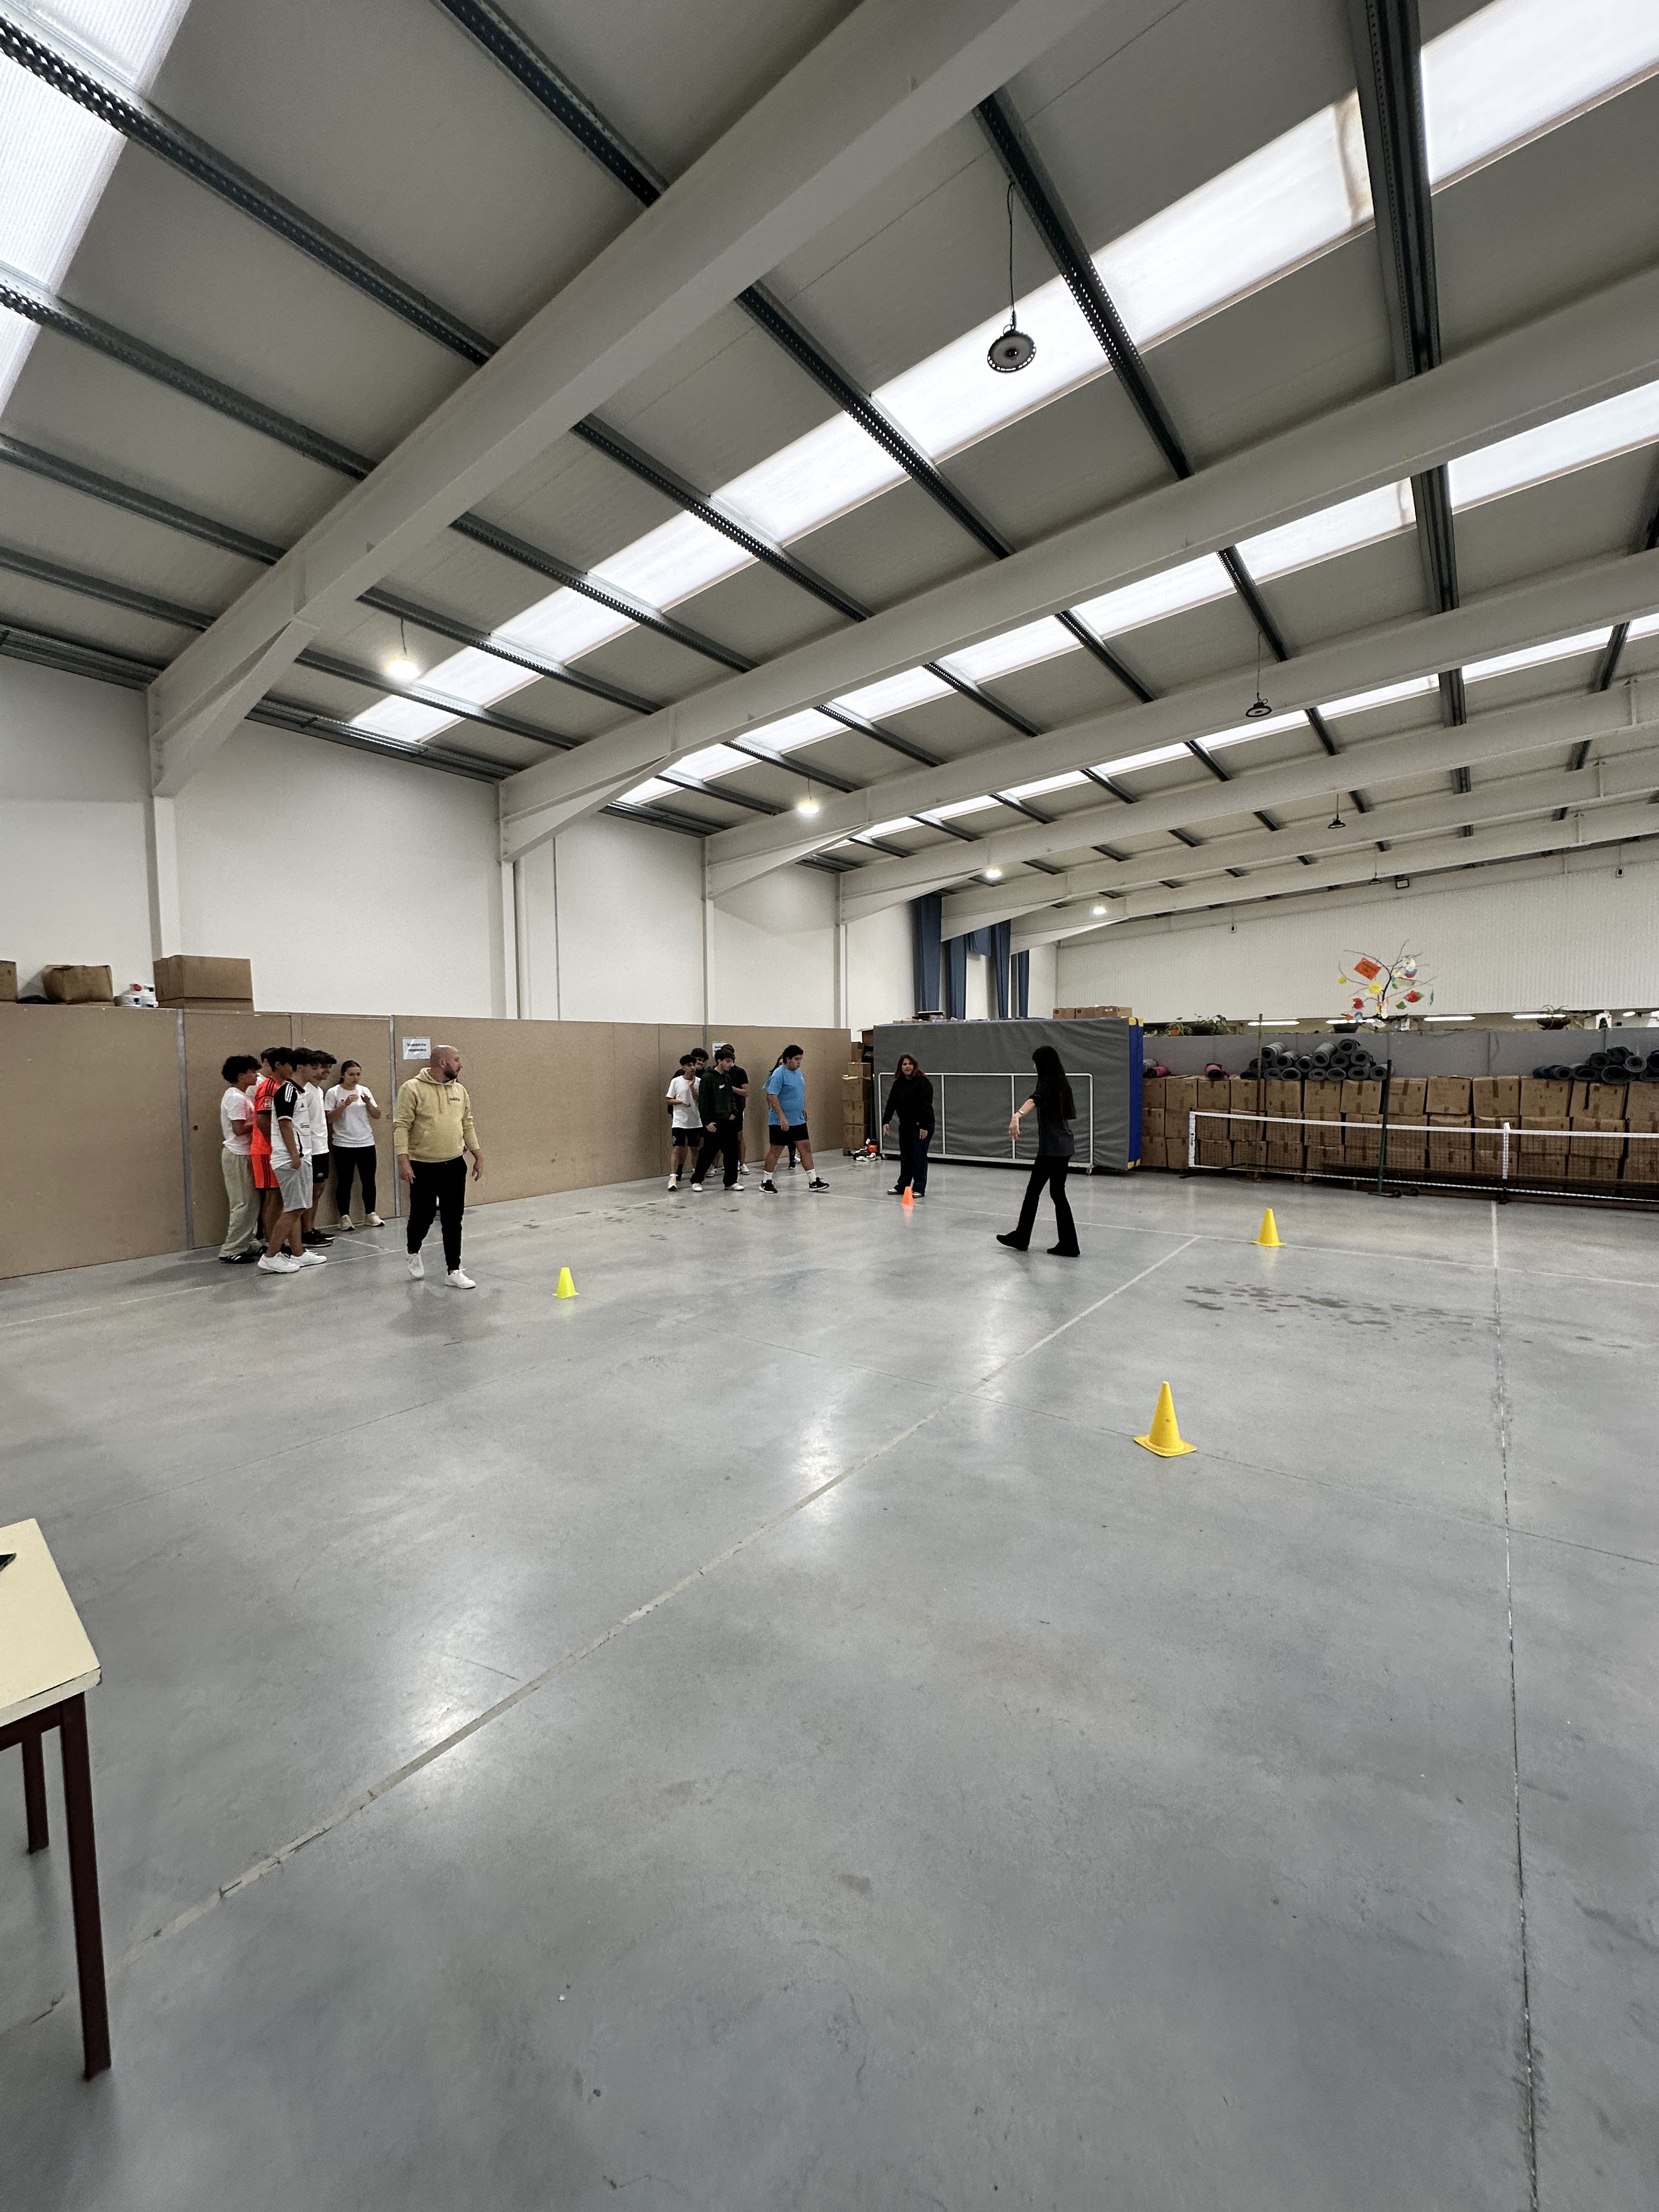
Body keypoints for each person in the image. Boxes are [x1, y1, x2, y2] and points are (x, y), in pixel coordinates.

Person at [393, 1043, 482, 1287]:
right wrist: (403, 1159)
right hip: (422, 1166)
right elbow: (401, 1125)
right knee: (422, 1217)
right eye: (456, 1059)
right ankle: (413, 1250)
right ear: (443, 1062)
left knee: (453, 1219)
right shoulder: (412, 1088)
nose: (460, 1064)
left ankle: (454, 1270)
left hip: (454, 1165)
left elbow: (467, 1123)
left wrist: (478, 1154)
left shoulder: (460, 1090)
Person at [998, 1045, 1080, 1257]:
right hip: (1063, 1145)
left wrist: (1017, 1115)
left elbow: (1034, 1100)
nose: (1034, 1067)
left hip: (1053, 1149)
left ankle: (1022, 1238)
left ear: (1043, 1064)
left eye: (1036, 1063)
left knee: (1034, 1192)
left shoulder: (1049, 1083)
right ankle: (1068, 1243)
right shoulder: (1061, 1082)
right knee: (1056, 1193)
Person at [257, 1046, 324, 1274]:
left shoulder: (300, 1092)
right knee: (294, 1208)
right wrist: (294, 1155)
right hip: (290, 1160)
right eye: (313, 1067)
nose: (318, 1071)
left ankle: (299, 1252)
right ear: (301, 1067)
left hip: (303, 1157)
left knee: (298, 1207)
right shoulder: (287, 1092)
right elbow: (285, 1123)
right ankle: (270, 1256)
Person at [761, 1046, 828, 1193]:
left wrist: (803, 1108)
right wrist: (782, 1117)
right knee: (776, 1150)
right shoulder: (779, 1074)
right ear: (788, 1059)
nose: (799, 1062)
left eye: (801, 1059)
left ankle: (813, 1181)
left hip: (798, 1120)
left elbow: (799, 1092)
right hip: (781, 1122)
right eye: (797, 1059)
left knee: (805, 1148)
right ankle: (766, 1182)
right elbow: (772, 1096)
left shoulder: (799, 1073)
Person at [218, 1055, 263, 1263]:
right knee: (242, 1203)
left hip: (245, 1154)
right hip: (237, 1155)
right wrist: (261, 1121)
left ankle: (246, 1242)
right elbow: (238, 1129)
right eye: (252, 1072)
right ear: (240, 1075)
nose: (256, 1075)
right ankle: (231, 1249)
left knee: (251, 1202)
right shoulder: (236, 1098)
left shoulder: (242, 1096)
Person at [326, 1059, 382, 1228]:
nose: (355, 1078)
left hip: (366, 1142)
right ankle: (344, 1217)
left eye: (358, 1074)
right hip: (343, 1144)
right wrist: (345, 1105)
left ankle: (371, 1214)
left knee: (369, 1181)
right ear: (343, 1075)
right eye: (351, 1074)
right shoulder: (333, 1092)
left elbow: (377, 1115)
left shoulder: (365, 1091)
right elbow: (328, 1119)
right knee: (344, 1181)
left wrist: (368, 1103)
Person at [691, 1046, 746, 1193]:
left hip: (728, 1121)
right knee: (708, 1153)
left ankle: (731, 1182)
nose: (730, 1064)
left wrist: (734, 1112)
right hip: (714, 1123)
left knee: (732, 1153)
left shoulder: (727, 1078)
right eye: (728, 1061)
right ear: (719, 1061)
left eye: (732, 1061)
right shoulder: (708, 1078)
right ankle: (697, 1180)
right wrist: (707, 1121)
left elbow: (731, 1097)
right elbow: (703, 1101)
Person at [882, 1053, 935, 1199]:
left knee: (919, 1157)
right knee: (906, 1157)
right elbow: (891, 1103)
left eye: (910, 1064)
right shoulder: (898, 1084)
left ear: (915, 1066)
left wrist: (924, 1126)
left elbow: (926, 1105)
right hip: (906, 1125)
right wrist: (886, 1121)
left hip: (922, 1126)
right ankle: (903, 1186)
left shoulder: (923, 1083)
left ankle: (919, 1188)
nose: (908, 1067)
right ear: (901, 1067)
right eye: (904, 1064)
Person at [296, 1049, 334, 1248]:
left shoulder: (319, 1091)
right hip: (310, 1150)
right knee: (310, 1192)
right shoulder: (305, 1091)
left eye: (327, 1067)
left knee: (318, 1191)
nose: (325, 1071)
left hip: (321, 1147)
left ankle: (310, 1227)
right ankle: (305, 1232)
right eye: (320, 1067)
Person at [713, 1043, 751, 1174]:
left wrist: (732, 1089)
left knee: (739, 1136)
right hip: (720, 1110)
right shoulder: (715, 1072)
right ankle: (714, 1166)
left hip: (737, 1108)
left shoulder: (740, 1072)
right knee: (718, 1137)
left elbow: (746, 1092)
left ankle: (742, 1164)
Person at [665, 1054, 703, 1190]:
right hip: (679, 1122)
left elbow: (700, 1100)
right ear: (683, 1067)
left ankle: (696, 1177)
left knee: (695, 1149)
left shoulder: (699, 1081)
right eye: (689, 1065)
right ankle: (673, 1178)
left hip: (695, 1121)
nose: (692, 1068)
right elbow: (669, 1099)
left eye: (694, 1065)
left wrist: (692, 1088)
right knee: (677, 1148)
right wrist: (680, 1102)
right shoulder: (676, 1081)